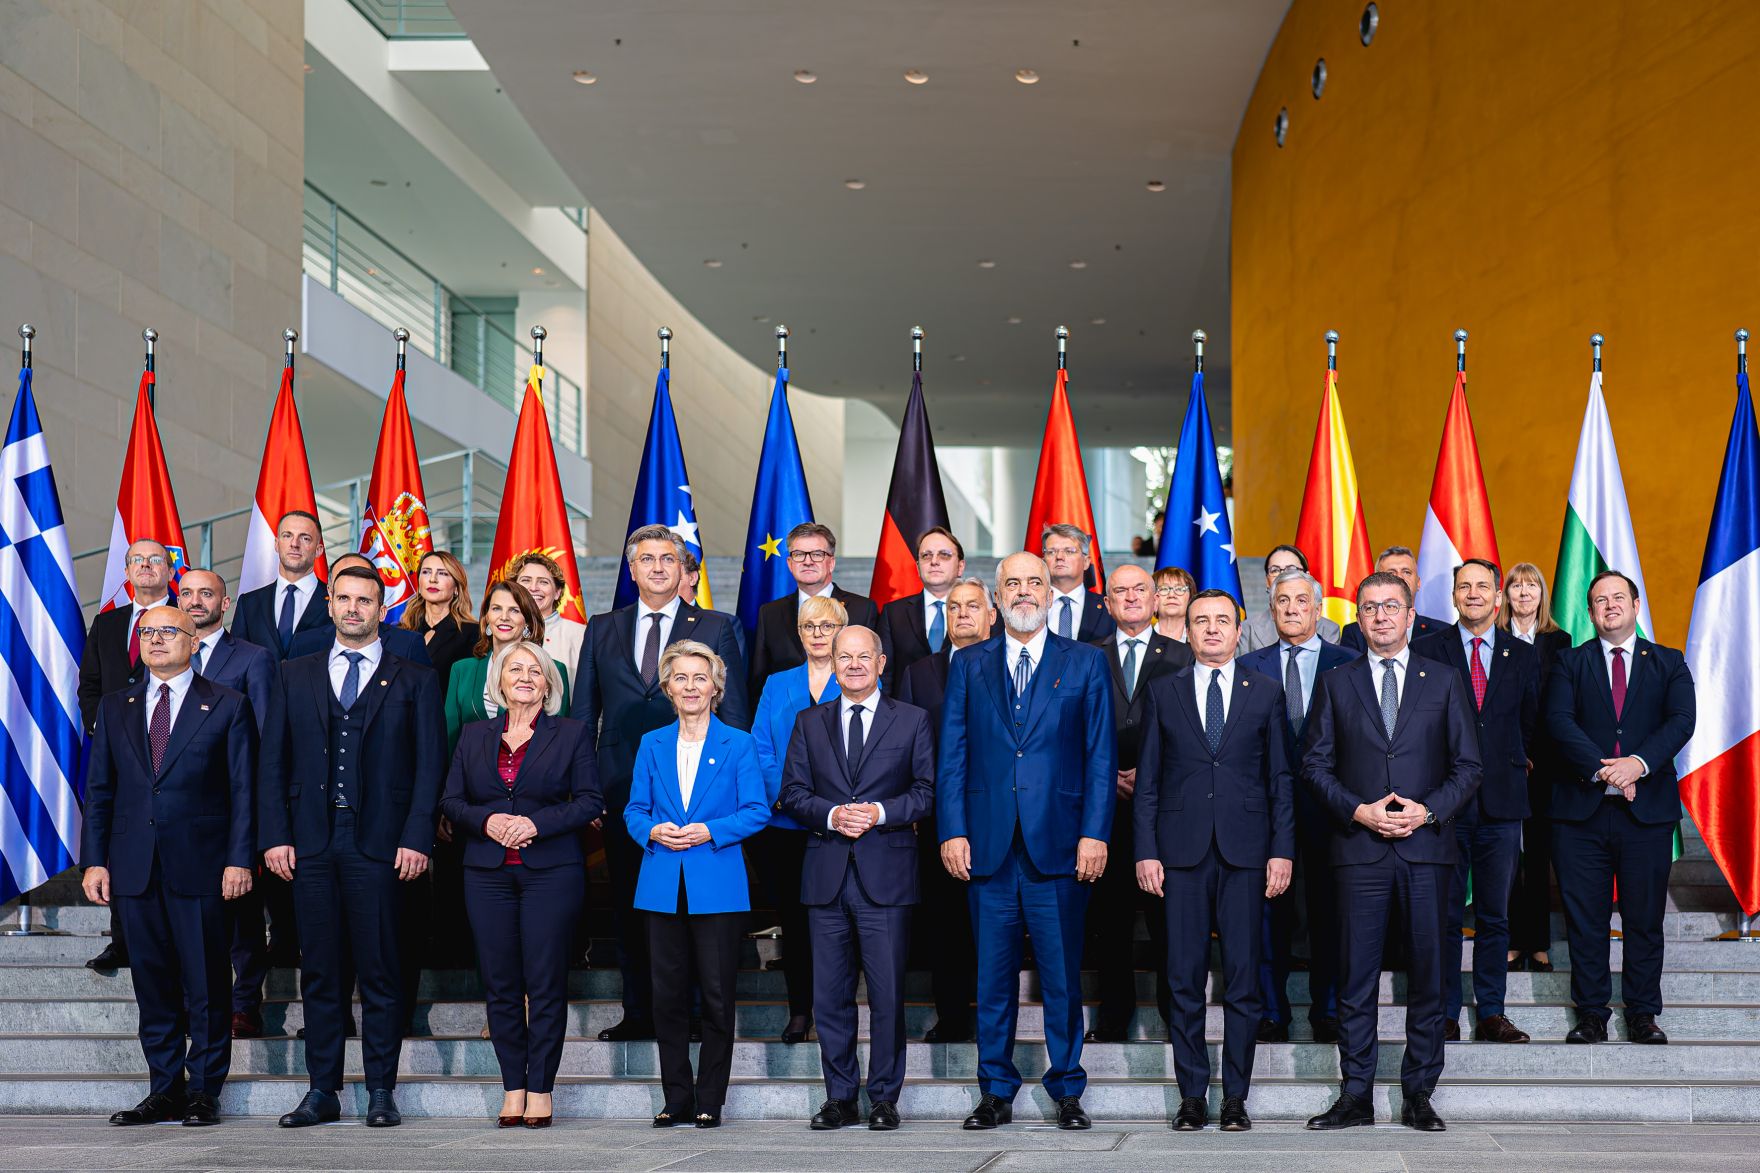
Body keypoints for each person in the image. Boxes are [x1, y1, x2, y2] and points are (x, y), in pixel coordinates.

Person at [260, 565, 446, 1129]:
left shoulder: (413, 677)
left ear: (380, 606)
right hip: (311, 843)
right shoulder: (294, 673)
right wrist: (275, 835)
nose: (352, 608)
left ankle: (381, 1091)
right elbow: (273, 761)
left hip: (382, 845)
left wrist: (418, 837)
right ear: (331, 603)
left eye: (364, 600)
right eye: (343, 598)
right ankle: (322, 1091)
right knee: (318, 971)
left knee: (381, 970)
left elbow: (429, 766)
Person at [938, 552, 1115, 1132]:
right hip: (986, 846)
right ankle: (996, 1090)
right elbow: (953, 755)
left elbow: (1099, 757)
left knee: (1062, 976)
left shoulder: (1086, 662)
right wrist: (953, 829)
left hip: (1060, 847)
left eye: (1032, 582)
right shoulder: (969, 663)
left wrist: (1094, 833)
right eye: (1011, 582)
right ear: (997, 595)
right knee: (991, 978)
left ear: (1050, 591)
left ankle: (1067, 1088)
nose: (1022, 592)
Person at [1302, 571, 1482, 1133]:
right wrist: (1359, 810)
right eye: (1369, 607)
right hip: (1359, 849)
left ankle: (1419, 1093)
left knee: (1430, 975)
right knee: (1355, 977)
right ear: (1358, 617)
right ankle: (1354, 1093)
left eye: (1390, 606)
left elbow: (1469, 766)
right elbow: (1313, 764)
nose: (1380, 616)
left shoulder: (1446, 680)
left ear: (1410, 616)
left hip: (1427, 850)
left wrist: (1427, 811)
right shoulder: (1337, 682)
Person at [80, 604, 257, 1128]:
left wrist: (238, 859)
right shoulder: (116, 706)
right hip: (134, 868)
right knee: (152, 985)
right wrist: (95, 861)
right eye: (148, 632)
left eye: (168, 632)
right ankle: (164, 1089)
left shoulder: (227, 705)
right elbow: (100, 790)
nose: (156, 640)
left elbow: (244, 791)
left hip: (203, 867)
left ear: (194, 640)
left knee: (205, 983)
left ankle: (204, 1091)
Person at [573, 524, 750, 1042]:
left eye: (667, 559)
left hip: (703, 792)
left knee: (696, 906)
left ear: (682, 569)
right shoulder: (603, 627)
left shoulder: (717, 626)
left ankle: (696, 1014)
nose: (656, 567)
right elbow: (585, 715)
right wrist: (588, 791)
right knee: (633, 904)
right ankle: (640, 1012)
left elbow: (734, 713)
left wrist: (732, 795)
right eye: (645, 559)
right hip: (623, 792)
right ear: (631, 570)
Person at [1135, 589, 1293, 1132]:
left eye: (1221, 621)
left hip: (1248, 853)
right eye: (1200, 621)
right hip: (1179, 855)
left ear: (1237, 627)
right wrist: (1146, 851)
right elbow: (1148, 783)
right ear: (1188, 627)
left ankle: (1235, 1098)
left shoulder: (1266, 692)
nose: (1210, 630)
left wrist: (1281, 850)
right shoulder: (1163, 692)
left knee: (1244, 981)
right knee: (1183, 978)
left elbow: (1280, 780)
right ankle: (1192, 1096)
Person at [440, 641, 603, 1128]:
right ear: (500, 680)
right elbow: (451, 801)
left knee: (546, 983)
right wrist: (487, 821)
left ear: (549, 683)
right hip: (486, 874)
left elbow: (590, 801)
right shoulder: (472, 736)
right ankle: (513, 1088)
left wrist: (536, 823)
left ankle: (541, 1090)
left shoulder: (571, 735)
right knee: (501, 985)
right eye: (516, 669)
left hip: (551, 872)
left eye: (536, 670)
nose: (526, 676)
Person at [780, 626, 935, 1131]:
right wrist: (831, 815)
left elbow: (927, 792)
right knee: (830, 996)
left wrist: (877, 812)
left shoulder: (912, 720)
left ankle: (885, 1097)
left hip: (886, 876)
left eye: (862, 656)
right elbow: (794, 792)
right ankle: (840, 1097)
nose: (852, 665)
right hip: (826, 873)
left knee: (888, 993)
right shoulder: (809, 721)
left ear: (881, 662)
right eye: (843, 656)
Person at [623, 641, 770, 1129]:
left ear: (716, 688)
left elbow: (756, 810)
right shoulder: (652, 743)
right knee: (666, 997)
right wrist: (649, 830)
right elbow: (633, 809)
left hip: (718, 884)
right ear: (668, 688)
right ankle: (676, 1098)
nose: (690, 687)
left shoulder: (739, 743)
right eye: (681, 679)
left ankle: (710, 1098)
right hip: (662, 883)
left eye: (699, 678)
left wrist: (712, 830)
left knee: (715, 996)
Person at [1546, 570, 1695, 1047]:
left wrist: (1638, 764)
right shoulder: (1570, 663)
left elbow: (1681, 720)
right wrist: (1605, 769)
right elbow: (1558, 721)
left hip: (1646, 813)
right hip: (1580, 814)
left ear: (1635, 605)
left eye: (1618, 598)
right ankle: (1591, 1013)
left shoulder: (1668, 663)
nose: (1609, 606)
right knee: (1586, 921)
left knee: (1644, 919)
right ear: (1589, 612)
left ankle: (1643, 1014)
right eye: (1598, 600)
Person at [1413, 560, 1541, 1044]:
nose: (1473, 593)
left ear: (1499, 596)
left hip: (1503, 804)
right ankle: (1444, 1011)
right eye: (1464, 586)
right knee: (1444, 914)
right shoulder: (1428, 650)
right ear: (1453, 595)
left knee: (1494, 915)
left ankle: (1491, 1011)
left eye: (1482, 586)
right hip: (1443, 805)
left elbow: (1528, 725)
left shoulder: (1523, 655)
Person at [1237, 568, 1358, 1043]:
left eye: (1300, 601)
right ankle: (1271, 1010)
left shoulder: (1347, 662)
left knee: (1330, 913)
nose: (1291, 609)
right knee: (1269, 915)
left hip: (1331, 811)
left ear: (1317, 608)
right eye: (1282, 601)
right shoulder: (1250, 666)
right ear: (1271, 609)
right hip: (1265, 811)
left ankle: (1327, 1009)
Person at [1087, 563, 1192, 1042]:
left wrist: (1147, 775)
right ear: (1106, 603)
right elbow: (1070, 731)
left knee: (1168, 918)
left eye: (1139, 590)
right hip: (1102, 810)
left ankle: (1175, 1016)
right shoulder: (1085, 659)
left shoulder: (1186, 655)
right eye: (1119, 592)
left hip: (1164, 808)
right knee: (1108, 921)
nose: (1129, 598)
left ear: (1155, 600)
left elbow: (1195, 736)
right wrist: (1107, 775)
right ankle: (1113, 1016)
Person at [177, 568, 281, 1040]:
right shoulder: (163, 657)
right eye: (187, 593)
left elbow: (263, 738)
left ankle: (245, 1003)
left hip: (233, 805)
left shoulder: (253, 658)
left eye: (206, 594)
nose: (196, 601)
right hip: (178, 812)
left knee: (241, 914)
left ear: (225, 603)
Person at [750, 595, 849, 1044]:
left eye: (826, 626)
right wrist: (790, 798)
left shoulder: (858, 679)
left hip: (838, 825)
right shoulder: (777, 683)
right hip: (785, 823)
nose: (817, 634)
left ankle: (835, 1013)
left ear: (841, 630)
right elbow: (762, 748)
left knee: (836, 924)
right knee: (794, 921)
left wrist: (826, 807)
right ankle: (798, 1011)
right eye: (809, 626)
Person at [898, 575, 993, 1043]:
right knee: (946, 924)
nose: (961, 614)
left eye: (972, 606)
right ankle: (953, 1016)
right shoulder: (920, 672)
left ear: (991, 615)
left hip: (1001, 816)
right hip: (939, 819)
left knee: (995, 924)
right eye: (953, 607)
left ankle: (996, 1021)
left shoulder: (1010, 667)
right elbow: (906, 748)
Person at [77, 537, 173, 972]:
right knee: (118, 838)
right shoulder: (108, 624)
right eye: (138, 560)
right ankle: (122, 939)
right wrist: (104, 728)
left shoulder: (182, 620)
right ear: (127, 571)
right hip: (117, 754)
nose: (147, 566)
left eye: (156, 559)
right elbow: (90, 686)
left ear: (170, 570)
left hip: (173, 747)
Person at [1498, 562, 1574, 972]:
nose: (1524, 592)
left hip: (1544, 765)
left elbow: (1559, 704)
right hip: (1503, 762)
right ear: (1505, 595)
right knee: (1508, 855)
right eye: (1517, 586)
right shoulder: (1494, 639)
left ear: (1543, 594)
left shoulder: (1558, 641)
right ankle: (1512, 941)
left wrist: (1534, 751)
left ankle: (1539, 943)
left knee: (1540, 853)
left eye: (1532, 586)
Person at [749, 522, 880, 695]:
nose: (808, 561)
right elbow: (759, 677)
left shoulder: (863, 609)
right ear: (789, 563)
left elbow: (876, 670)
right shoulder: (770, 613)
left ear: (831, 562)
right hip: (788, 714)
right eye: (799, 554)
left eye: (817, 554)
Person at [444, 580, 570, 753]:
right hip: (472, 776)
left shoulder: (553, 670)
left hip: (532, 775)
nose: (504, 617)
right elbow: (450, 738)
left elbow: (561, 740)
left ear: (527, 620)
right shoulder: (461, 670)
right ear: (487, 617)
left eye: (514, 610)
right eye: (496, 608)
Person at [286, 552, 432, 666]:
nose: (352, 607)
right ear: (330, 592)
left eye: (363, 598)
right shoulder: (304, 644)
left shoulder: (408, 645)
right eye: (344, 593)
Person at [877, 525, 966, 693]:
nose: (934, 561)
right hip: (906, 714)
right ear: (918, 567)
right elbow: (884, 675)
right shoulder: (893, 613)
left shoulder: (981, 613)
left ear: (960, 566)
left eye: (944, 555)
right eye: (926, 555)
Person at [231, 510, 328, 657]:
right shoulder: (249, 603)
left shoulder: (336, 602)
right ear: (276, 544)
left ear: (319, 550)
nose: (294, 544)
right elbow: (236, 660)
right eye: (287, 536)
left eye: (305, 538)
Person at [1337, 546, 1448, 652]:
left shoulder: (1442, 632)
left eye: (1406, 572)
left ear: (1418, 583)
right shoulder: (1354, 633)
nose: (1400, 577)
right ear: (1376, 581)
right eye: (1391, 573)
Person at [401, 550, 482, 692]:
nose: (433, 579)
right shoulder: (400, 631)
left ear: (457, 587)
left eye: (443, 573)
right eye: (426, 572)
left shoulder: (473, 634)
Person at [1238, 545, 1342, 653]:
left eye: (1291, 569)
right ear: (1267, 581)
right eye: (1275, 570)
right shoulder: (1247, 629)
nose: (1283, 575)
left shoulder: (1329, 629)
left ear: (1308, 576)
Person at [513, 552, 587, 688]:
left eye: (543, 582)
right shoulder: (501, 632)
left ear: (558, 592)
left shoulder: (581, 635)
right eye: (526, 580)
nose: (533, 588)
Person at [1040, 523, 1116, 641]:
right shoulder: (1030, 604)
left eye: (1069, 551)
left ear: (1086, 562)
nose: (1059, 557)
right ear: (1043, 561)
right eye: (1051, 552)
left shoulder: (1109, 609)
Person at [1151, 566, 1195, 643]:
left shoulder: (1199, 642)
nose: (1171, 595)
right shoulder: (1141, 640)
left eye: (1179, 589)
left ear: (1190, 599)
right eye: (1163, 589)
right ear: (1154, 600)